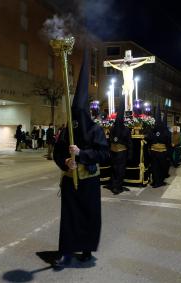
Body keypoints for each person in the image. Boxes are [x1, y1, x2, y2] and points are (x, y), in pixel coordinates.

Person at [53, 52, 109, 268]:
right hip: (69, 179)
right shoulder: (68, 130)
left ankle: (86, 248)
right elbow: (58, 152)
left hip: (89, 180)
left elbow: (104, 154)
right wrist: (66, 161)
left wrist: (82, 154)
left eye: (79, 113)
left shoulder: (95, 130)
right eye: (73, 114)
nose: (76, 118)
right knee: (68, 217)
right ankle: (65, 251)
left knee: (88, 215)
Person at [109, 101, 132, 195]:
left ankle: (116, 186)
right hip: (121, 153)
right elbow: (129, 143)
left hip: (114, 152)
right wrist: (130, 154)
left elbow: (110, 140)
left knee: (115, 169)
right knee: (119, 170)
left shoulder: (112, 129)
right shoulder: (126, 130)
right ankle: (117, 187)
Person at [146, 105, 171, 188]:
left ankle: (156, 181)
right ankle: (158, 181)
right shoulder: (164, 131)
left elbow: (148, 139)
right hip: (161, 152)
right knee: (159, 167)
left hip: (155, 152)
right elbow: (168, 142)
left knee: (155, 167)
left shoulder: (152, 130)